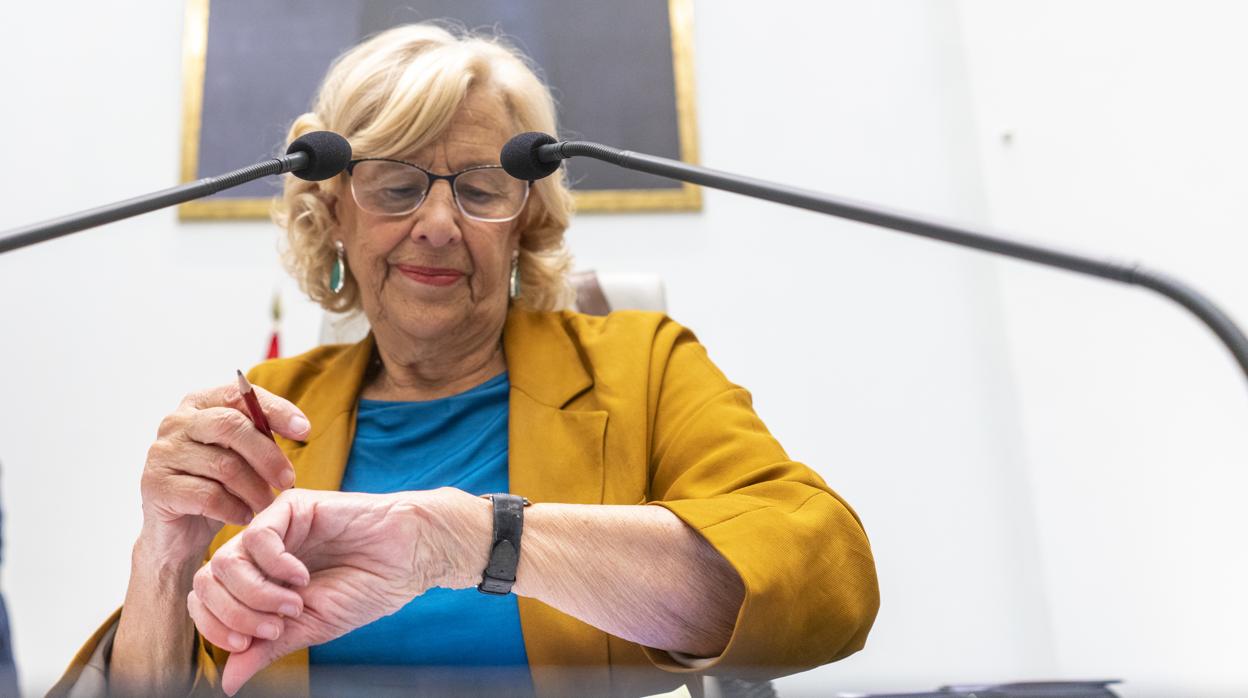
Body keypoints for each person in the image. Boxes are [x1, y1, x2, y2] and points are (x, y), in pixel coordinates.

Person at [50, 23, 879, 698]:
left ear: (526, 221)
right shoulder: (265, 413)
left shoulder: (643, 367)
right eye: (395, 185)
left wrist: (464, 539)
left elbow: (824, 579)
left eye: (480, 189)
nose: (440, 224)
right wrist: (164, 553)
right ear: (333, 211)